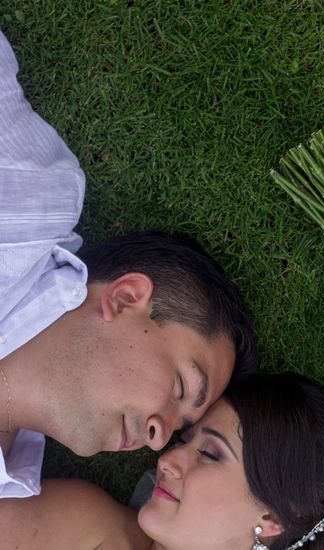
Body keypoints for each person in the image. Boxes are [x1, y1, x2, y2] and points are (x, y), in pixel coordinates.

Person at [0, 26, 257, 498]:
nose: (157, 437)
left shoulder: (10, 497)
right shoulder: (30, 211)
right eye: (181, 386)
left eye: (179, 427)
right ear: (125, 298)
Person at [0, 372, 324, 550]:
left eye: (211, 454)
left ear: (274, 517)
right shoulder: (85, 523)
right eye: (185, 441)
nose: (168, 460)